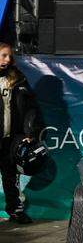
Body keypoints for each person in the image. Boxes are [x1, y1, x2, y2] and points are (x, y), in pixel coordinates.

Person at [0, 43, 43, 224]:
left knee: (11, 177)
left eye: (10, 56)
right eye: (3, 55)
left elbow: (30, 109)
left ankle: (16, 211)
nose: (8, 59)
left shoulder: (17, 78)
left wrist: (30, 132)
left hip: (11, 139)